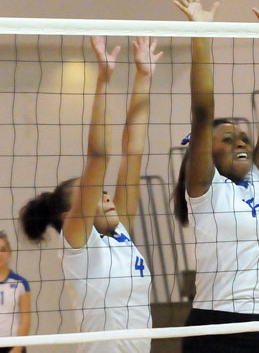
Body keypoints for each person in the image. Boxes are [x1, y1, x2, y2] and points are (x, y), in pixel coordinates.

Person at [19, 36, 162, 352]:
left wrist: (143, 77)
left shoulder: (120, 230)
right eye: (95, 194)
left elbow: (133, 152)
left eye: (105, 192)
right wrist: (103, 81)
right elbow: (100, 158)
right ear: (71, 217)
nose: (107, 197)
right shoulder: (78, 246)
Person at [172, 0, 259, 352]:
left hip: (257, 325)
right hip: (212, 327)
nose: (241, 140)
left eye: (243, 136)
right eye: (228, 139)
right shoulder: (205, 190)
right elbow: (203, 110)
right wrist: (201, 32)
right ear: (207, 152)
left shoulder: (255, 182)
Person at [0, 231, 30, 353]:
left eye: (3, 249)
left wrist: (17, 348)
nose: (0, 254)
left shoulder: (20, 283)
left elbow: (26, 318)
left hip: (13, 345)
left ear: (9, 252)